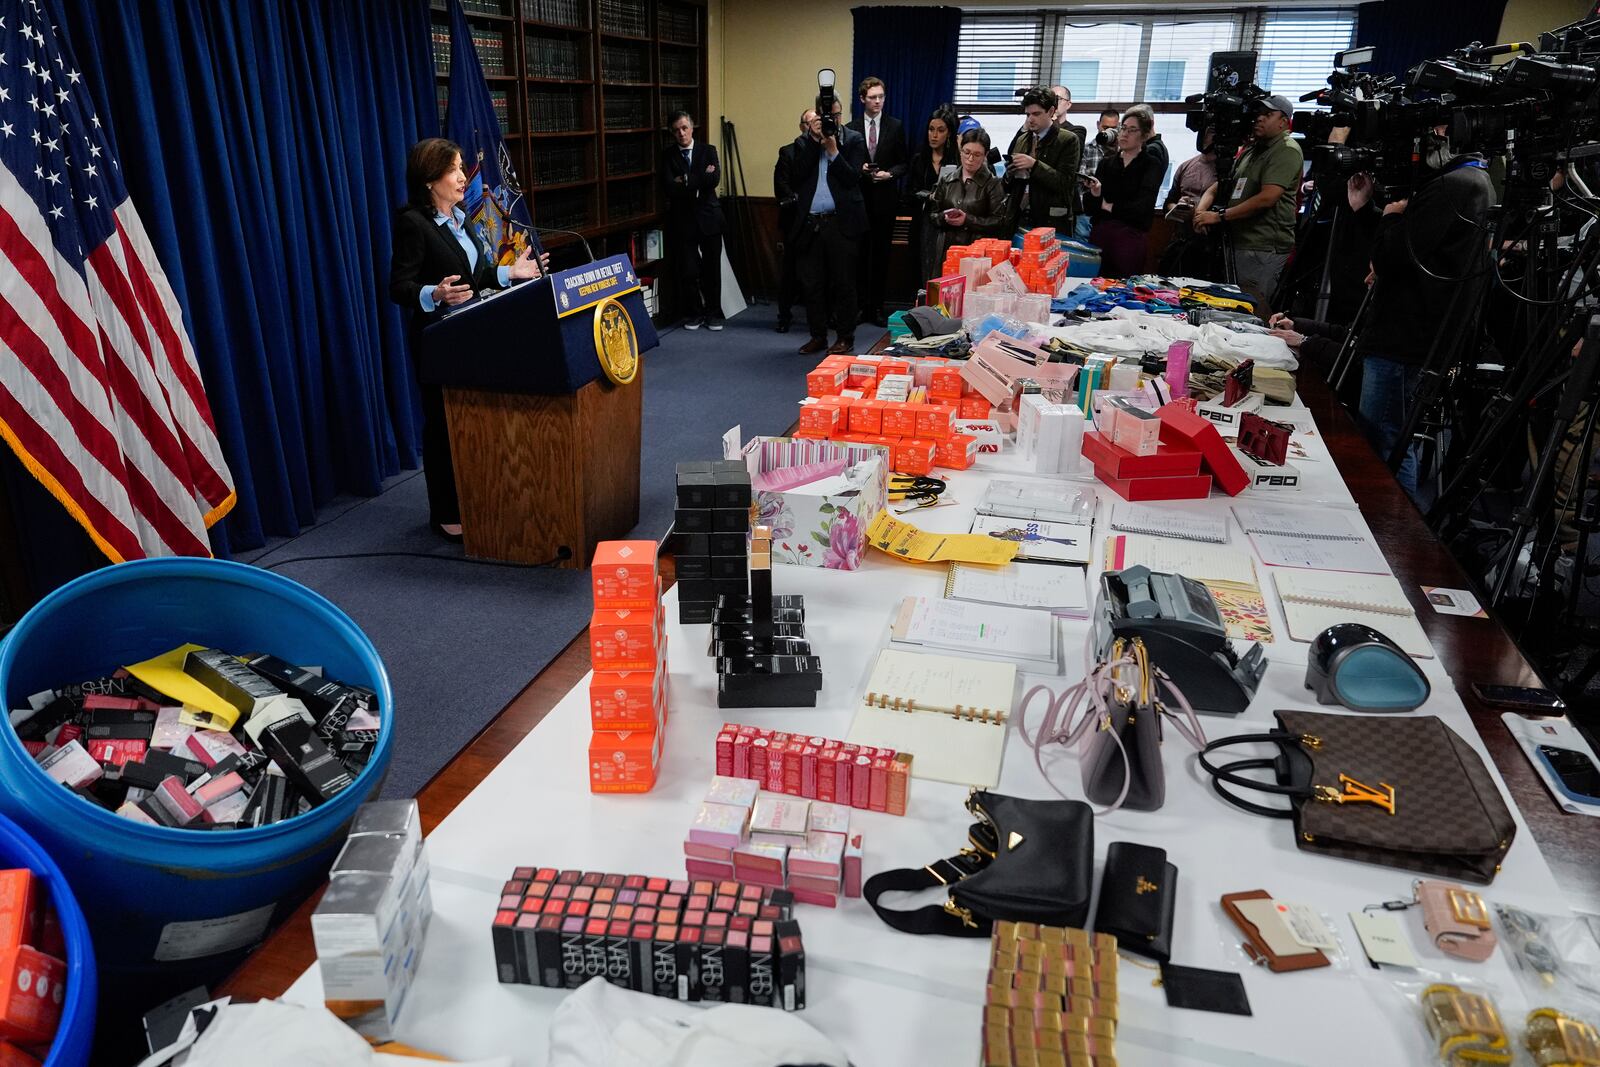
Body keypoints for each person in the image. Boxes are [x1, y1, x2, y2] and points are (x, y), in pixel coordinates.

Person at [1271, 148, 1493, 498]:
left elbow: (1392, 256)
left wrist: (1389, 218)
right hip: (1405, 338)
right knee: (1386, 439)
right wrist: (1367, 212)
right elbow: (1399, 250)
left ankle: (1393, 534)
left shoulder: (1454, 186)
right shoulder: (1471, 182)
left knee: (1385, 444)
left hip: (1403, 344)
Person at [388, 138, 547, 542]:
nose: (463, 177)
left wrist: (513, 274)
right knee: (443, 426)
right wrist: (434, 294)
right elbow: (398, 286)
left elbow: (474, 278)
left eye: (462, 167)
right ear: (429, 180)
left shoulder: (462, 219)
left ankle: (478, 497)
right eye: (454, 170)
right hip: (438, 341)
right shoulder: (413, 223)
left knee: (473, 421)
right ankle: (445, 511)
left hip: (472, 336)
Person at [1192, 94, 1304, 314]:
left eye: (1267, 114)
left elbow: (1267, 198)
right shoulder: (1252, 149)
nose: (1259, 119)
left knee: (1251, 311)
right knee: (1228, 309)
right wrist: (1201, 211)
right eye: (1258, 114)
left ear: (1283, 121)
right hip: (1237, 241)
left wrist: (1219, 216)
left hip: (1262, 246)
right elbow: (1220, 185)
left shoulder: (1286, 149)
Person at [789, 96, 868, 355]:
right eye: (825, 116)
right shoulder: (803, 143)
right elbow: (797, 175)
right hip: (811, 224)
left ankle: (845, 337)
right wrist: (815, 142)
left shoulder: (854, 139)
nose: (830, 120)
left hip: (841, 224)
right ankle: (818, 336)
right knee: (812, 285)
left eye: (834, 115)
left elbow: (852, 178)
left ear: (840, 113)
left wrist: (833, 150)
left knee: (844, 284)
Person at [846, 77, 908, 327]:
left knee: (881, 256)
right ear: (862, 99)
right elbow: (844, 167)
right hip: (859, 200)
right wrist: (858, 168)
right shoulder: (851, 128)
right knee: (859, 256)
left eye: (881, 96)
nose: (878, 101)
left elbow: (904, 163)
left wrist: (889, 174)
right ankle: (861, 306)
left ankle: (878, 307)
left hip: (885, 199)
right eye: (873, 97)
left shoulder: (895, 126)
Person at [660, 111, 725, 331]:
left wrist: (686, 180)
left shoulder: (708, 151)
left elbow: (714, 179)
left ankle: (714, 314)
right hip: (683, 220)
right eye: (676, 130)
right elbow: (669, 187)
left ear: (692, 127)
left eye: (684, 128)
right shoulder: (667, 156)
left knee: (712, 269)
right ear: (672, 132)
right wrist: (699, 179)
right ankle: (695, 313)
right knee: (689, 270)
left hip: (710, 219)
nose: (681, 133)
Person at [1085, 105, 1165, 278]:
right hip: (1101, 234)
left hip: (1130, 238)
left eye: (1132, 130)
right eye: (1123, 128)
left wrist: (1108, 207)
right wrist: (1097, 194)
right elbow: (1090, 207)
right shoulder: (1106, 163)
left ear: (1144, 135)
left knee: (1122, 289)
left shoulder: (1151, 164)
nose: (1125, 134)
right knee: (1093, 285)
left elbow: (1141, 208)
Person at [1004, 87, 1080, 238]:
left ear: (1051, 112)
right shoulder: (1022, 139)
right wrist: (1010, 173)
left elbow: (1065, 183)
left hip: (1050, 220)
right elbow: (1008, 186)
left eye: (1036, 114)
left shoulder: (1068, 140)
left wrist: (1034, 165)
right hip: (1019, 215)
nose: (1030, 119)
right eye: (1028, 114)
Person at [926, 130, 1009, 268]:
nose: (970, 159)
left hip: (977, 253)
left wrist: (967, 220)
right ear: (960, 151)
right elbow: (932, 215)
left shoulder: (992, 184)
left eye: (977, 155)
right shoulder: (947, 180)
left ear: (985, 155)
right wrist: (944, 217)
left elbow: (999, 221)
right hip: (946, 250)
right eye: (967, 152)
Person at [907, 104, 960, 285]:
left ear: (949, 134)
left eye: (940, 130)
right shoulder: (918, 159)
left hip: (948, 224)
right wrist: (928, 196)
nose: (934, 135)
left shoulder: (957, 160)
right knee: (919, 269)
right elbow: (909, 193)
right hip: (922, 220)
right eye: (931, 130)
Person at [772, 110, 813, 334]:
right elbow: (781, 186)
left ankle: (819, 317)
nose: (811, 128)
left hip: (818, 222)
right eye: (808, 123)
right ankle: (784, 316)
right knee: (789, 272)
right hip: (794, 220)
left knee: (816, 274)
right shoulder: (788, 152)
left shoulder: (824, 151)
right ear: (801, 127)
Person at [1076, 108, 1121, 240]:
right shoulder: (1087, 148)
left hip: (1113, 213)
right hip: (1087, 213)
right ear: (1098, 125)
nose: (1108, 132)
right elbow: (1079, 178)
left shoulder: (1123, 151)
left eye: (1113, 128)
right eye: (1105, 127)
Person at [1050, 84, 1088, 148]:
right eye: (1050, 99)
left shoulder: (1077, 131)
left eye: (1057, 99)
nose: (1053, 103)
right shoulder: (1040, 127)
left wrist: (1053, 118)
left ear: (1068, 104)